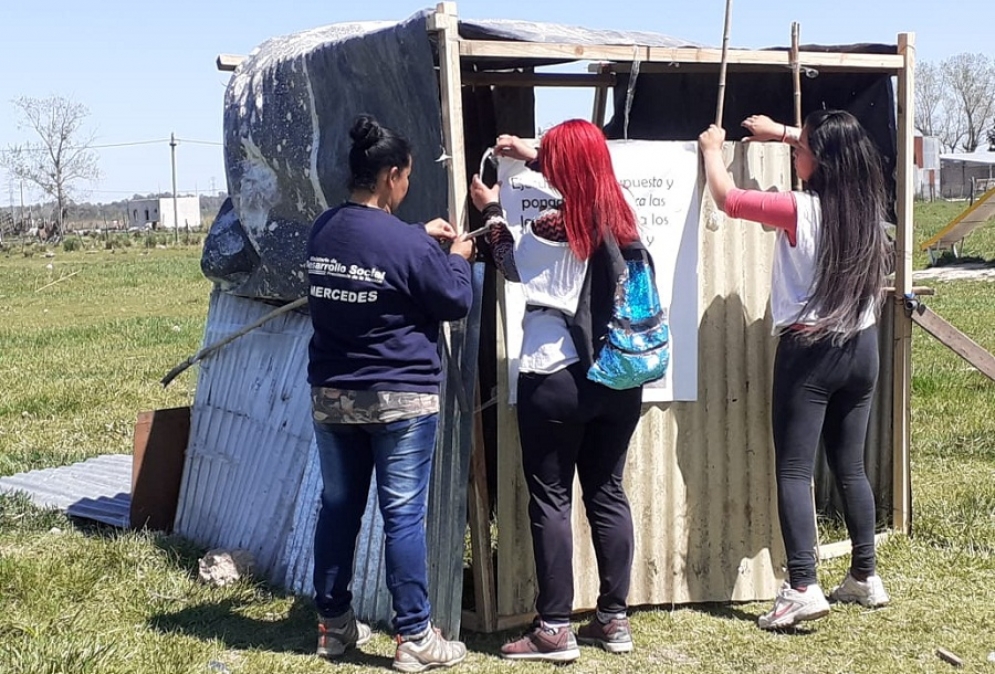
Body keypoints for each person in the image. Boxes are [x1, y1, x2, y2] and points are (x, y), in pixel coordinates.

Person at [698, 111, 892, 630]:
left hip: (809, 351)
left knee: (794, 471)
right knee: (849, 467)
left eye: (800, 148)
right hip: (863, 346)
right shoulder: (869, 209)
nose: (793, 153)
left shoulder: (797, 210)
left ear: (820, 162)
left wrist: (713, 150)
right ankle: (865, 575)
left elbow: (729, 199)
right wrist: (784, 132)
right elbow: (841, 148)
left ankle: (802, 585)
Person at [469, 119, 645, 661]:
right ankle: (613, 620)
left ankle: (553, 629)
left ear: (562, 170)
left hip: (557, 376)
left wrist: (492, 209)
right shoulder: (626, 219)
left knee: (551, 499)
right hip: (617, 376)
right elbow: (581, 169)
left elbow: (509, 262)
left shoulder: (551, 226)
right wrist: (534, 153)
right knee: (607, 492)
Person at [307, 114, 475, 671]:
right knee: (402, 517)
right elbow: (453, 300)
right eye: (405, 178)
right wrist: (457, 258)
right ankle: (414, 640)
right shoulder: (405, 243)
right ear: (391, 177)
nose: (406, 186)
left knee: (338, 508)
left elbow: (372, 260)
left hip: (333, 396)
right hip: (400, 397)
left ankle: (332, 628)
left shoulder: (324, 229)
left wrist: (418, 242)